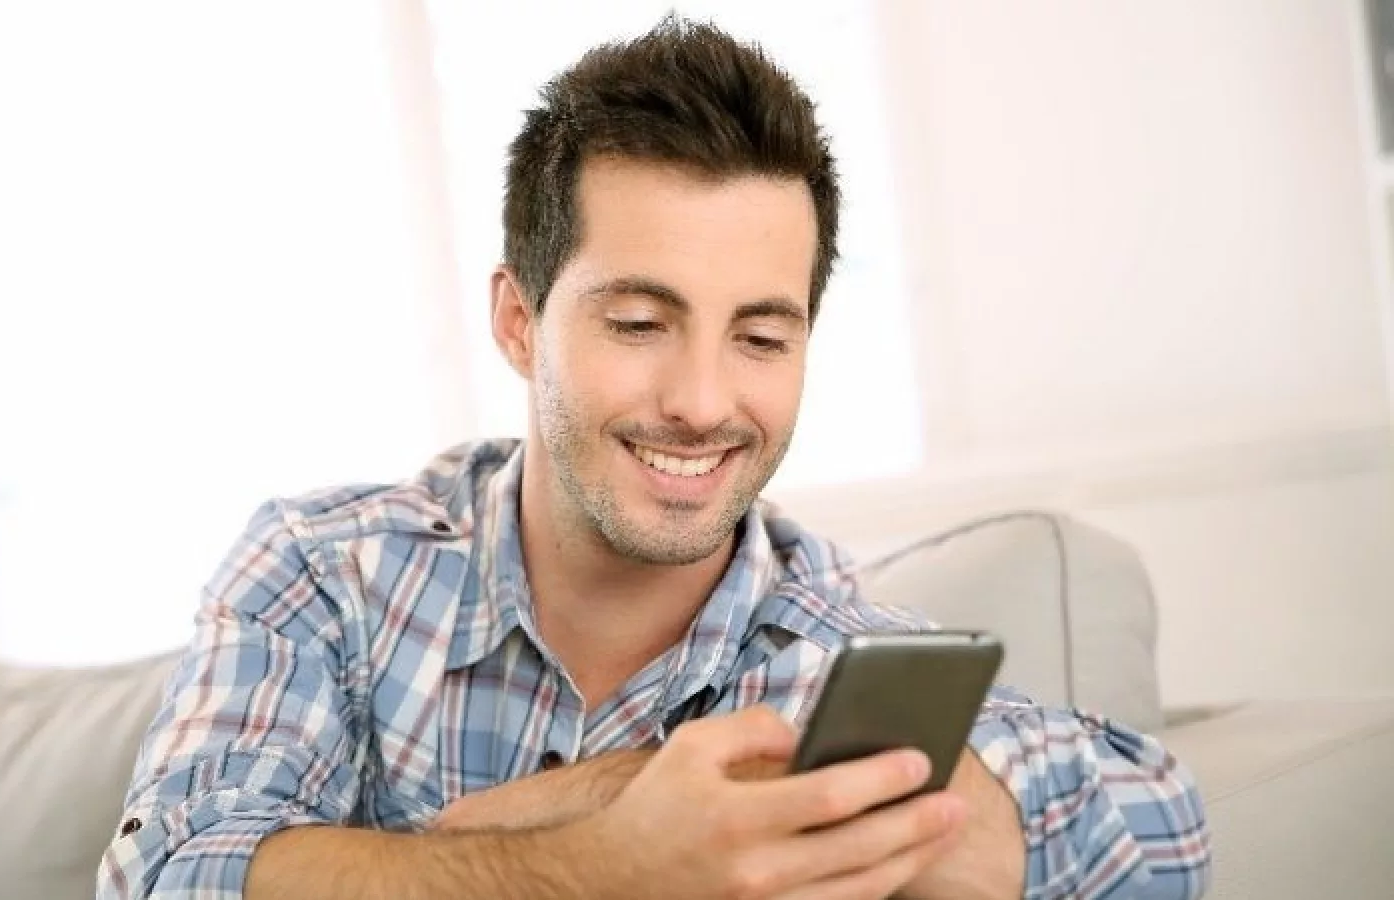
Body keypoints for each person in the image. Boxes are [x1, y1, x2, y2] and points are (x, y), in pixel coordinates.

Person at [98, 17, 1209, 900]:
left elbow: (1163, 831)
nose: (701, 402)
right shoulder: (324, 571)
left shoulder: (833, 657)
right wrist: (603, 858)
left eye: (760, 338)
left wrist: (602, 801)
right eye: (638, 323)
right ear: (520, 321)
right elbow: (170, 872)